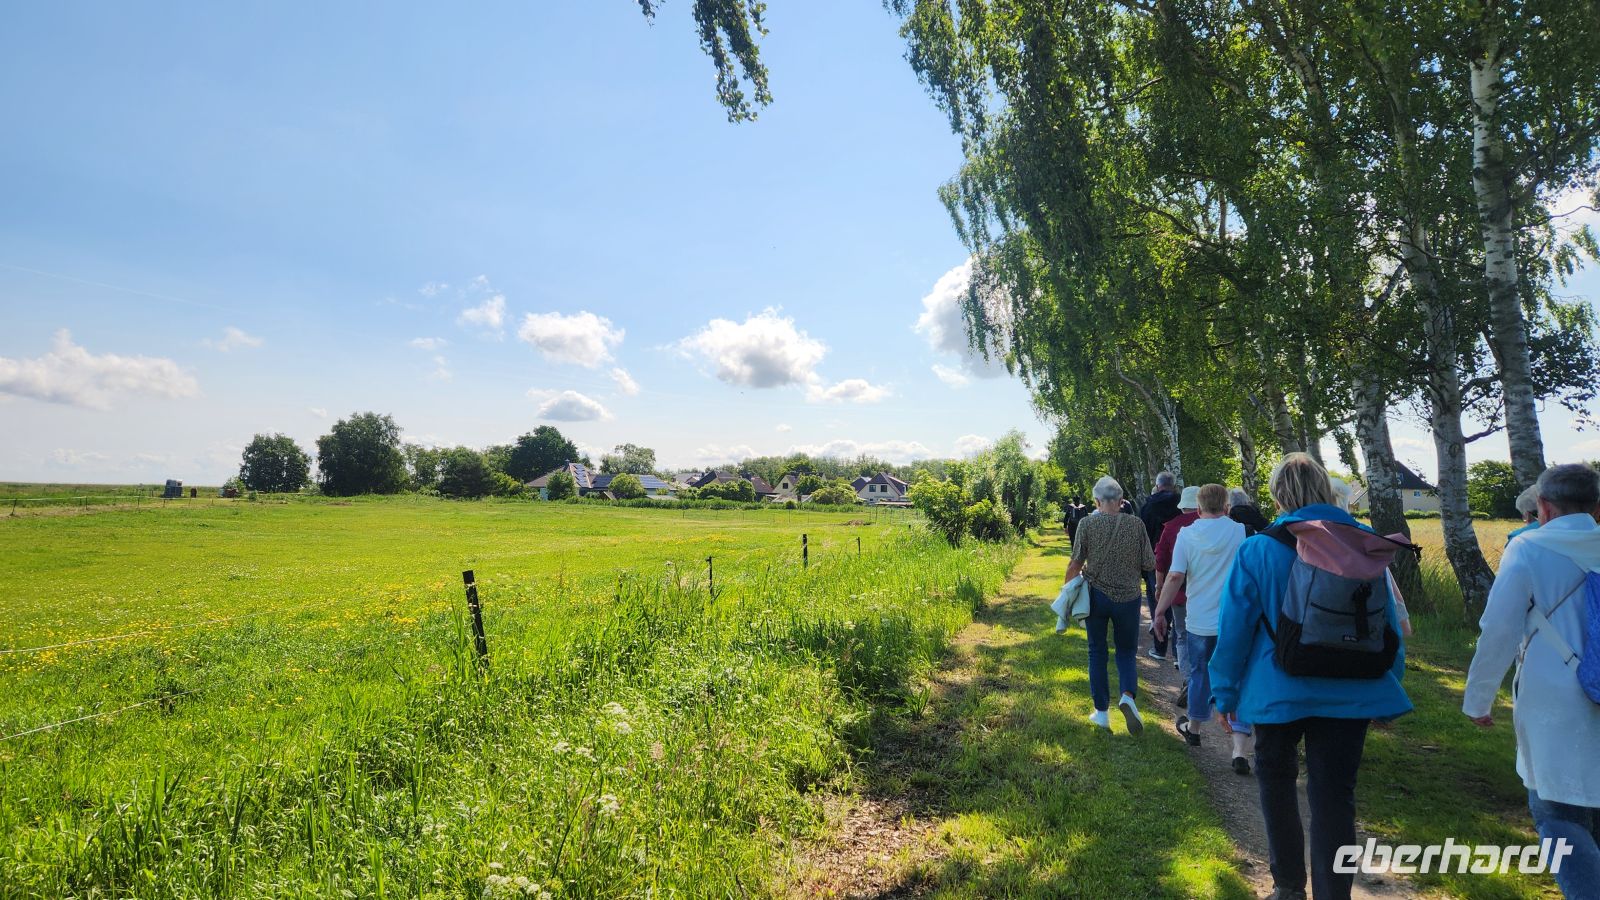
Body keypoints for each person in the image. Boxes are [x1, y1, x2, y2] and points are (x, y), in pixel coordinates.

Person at [1210, 453, 1411, 900]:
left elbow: (1235, 629)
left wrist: (1224, 694)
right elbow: (1387, 626)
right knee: (1335, 797)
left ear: (1280, 494)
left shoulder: (1258, 548)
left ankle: (1287, 887)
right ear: (1325, 489)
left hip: (1276, 691)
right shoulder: (1364, 544)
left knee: (1277, 784)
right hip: (1353, 689)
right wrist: (1386, 688)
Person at [1463, 463, 1600, 900]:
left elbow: (1499, 629)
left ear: (1542, 505)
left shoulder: (1528, 549)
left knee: (1556, 812)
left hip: (1556, 695)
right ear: (1596, 505)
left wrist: (1478, 700)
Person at [1154, 484, 1251, 772]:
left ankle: (1194, 728)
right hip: (1233, 621)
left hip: (1199, 619)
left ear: (1197, 509)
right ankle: (1240, 749)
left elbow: (1174, 576)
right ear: (1227, 507)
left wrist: (1160, 611)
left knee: (1199, 674)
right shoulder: (1240, 532)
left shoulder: (1187, 534)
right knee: (1237, 679)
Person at [1065, 475, 1155, 735]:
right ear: (1121, 500)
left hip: (1097, 596)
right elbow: (1149, 562)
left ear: (1096, 501)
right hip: (1128, 597)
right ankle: (1127, 695)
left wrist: (1067, 594)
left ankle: (1102, 714)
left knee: (1097, 651)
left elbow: (1075, 562)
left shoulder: (1087, 524)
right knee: (1126, 652)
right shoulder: (1136, 525)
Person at [1154, 486, 1203, 678]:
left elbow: (1161, 560)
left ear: (1183, 506)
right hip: (1206, 592)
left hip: (1179, 592)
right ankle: (1203, 679)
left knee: (1182, 635)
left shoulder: (1172, 526)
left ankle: (1188, 680)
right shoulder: (1211, 524)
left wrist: (1159, 587)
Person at [1140, 472, 1182, 661]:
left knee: (1157, 602)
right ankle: (1178, 652)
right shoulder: (1181, 505)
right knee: (1178, 601)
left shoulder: (1147, 506)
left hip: (1153, 561)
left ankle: (1159, 648)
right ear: (1173, 486)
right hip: (1179, 559)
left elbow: (1142, 535)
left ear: (1157, 486)